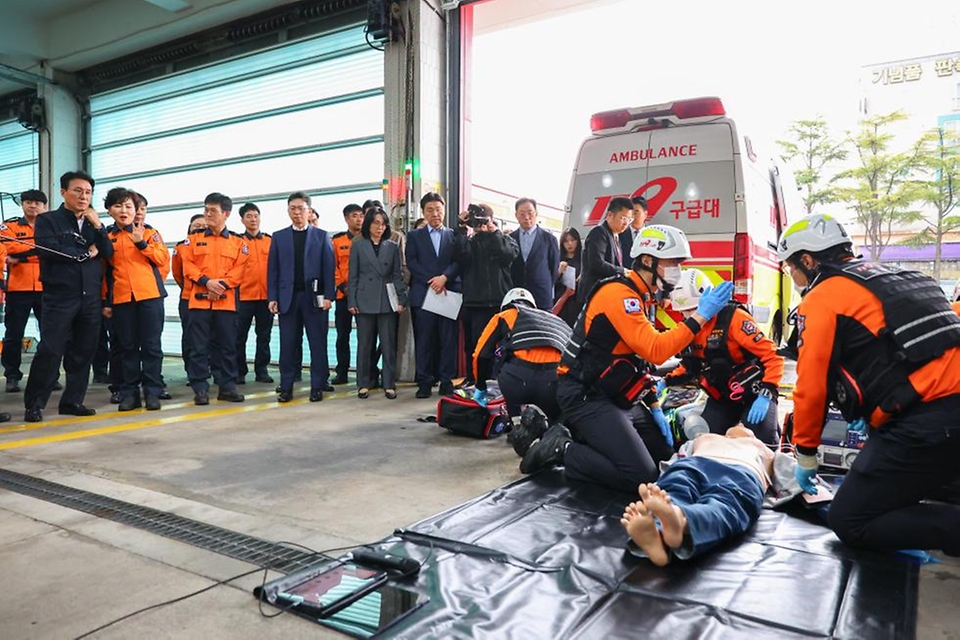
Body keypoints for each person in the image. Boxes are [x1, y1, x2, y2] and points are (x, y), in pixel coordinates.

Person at [778, 212, 960, 556]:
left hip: (926, 421)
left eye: (791, 268)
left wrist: (804, 454)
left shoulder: (822, 297)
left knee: (851, 520)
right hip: (938, 411)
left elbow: (811, 385)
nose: (794, 276)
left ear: (807, 259)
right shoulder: (896, 276)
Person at [519, 225, 735, 492]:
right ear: (648, 260)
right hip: (585, 394)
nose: (677, 269)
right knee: (641, 476)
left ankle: (590, 438)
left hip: (614, 393)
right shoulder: (619, 295)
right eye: (673, 262)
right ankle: (564, 448)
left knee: (663, 455)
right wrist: (699, 316)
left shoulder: (640, 296)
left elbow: (637, 361)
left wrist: (654, 406)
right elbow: (654, 349)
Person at [23, 170, 114, 422]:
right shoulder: (48, 220)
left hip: (90, 298)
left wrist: (98, 226)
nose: (83, 196)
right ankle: (34, 404)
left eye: (88, 192)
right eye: (78, 190)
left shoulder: (95, 223)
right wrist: (86, 250)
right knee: (50, 350)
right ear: (63, 192)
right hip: (59, 297)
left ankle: (73, 401)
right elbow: (50, 250)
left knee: (83, 351)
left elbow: (108, 252)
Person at [620, 426, 775, 566]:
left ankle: (675, 519)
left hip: (740, 472)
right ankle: (663, 527)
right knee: (676, 489)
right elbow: (678, 457)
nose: (741, 424)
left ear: (753, 436)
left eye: (744, 426)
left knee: (724, 504)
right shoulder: (704, 438)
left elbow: (788, 474)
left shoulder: (764, 448)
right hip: (697, 465)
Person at [662, 268, 783, 444]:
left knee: (760, 441)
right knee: (705, 439)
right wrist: (665, 382)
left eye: (693, 309)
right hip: (723, 398)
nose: (689, 315)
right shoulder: (692, 327)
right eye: (684, 311)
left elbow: (773, 356)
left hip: (755, 394)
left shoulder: (734, 318)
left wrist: (766, 393)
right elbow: (690, 365)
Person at [177, 192, 249, 406]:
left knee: (227, 346)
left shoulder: (238, 242)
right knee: (198, 347)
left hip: (226, 303)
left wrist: (221, 286)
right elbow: (187, 265)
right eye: (206, 209)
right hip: (198, 301)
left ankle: (227, 387)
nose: (208, 214)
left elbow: (241, 269)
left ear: (226, 213)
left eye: (213, 210)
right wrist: (207, 281)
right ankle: (200, 389)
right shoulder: (193, 239)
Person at [101, 187, 170, 411]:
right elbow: (103, 274)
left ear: (136, 210)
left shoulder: (150, 233)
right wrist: (106, 302)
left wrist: (141, 243)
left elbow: (161, 258)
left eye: (128, 206)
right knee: (127, 348)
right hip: (121, 300)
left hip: (150, 297)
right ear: (110, 210)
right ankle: (130, 394)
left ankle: (152, 392)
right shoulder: (106, 237)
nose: (124, 210)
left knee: (151, 347)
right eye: (118, 205)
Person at [268, 191, 335, 403]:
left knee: (317, 344)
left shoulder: (321, 235)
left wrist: (328, 297)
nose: (297, 212)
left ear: (309, 211)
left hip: (314, 299)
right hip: (288, 299)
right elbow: (273, 270)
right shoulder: (278, 237)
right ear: (288, 211)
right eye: (293, 209)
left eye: (301, 208)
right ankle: (286, 387)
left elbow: (328, 269)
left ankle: (317, 386)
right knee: (287, 345)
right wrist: (273, 297)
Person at [472, 287, 571, 424]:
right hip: (554, 384)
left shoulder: (504, 316)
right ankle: (552, 428)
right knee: (556, 426)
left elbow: (481, 355)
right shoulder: (556, 320)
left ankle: (517, 422)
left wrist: (480, 386)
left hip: (518, 382)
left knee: (504, 362)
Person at [455, 203, 520, 385]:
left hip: (501, 303)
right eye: (477, 221)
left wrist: (494, 232)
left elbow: (507, 255)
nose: (481, 225)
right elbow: (460, 256)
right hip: (476, 304)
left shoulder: (505, 239)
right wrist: (461, 228)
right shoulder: (470, 242)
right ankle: (475, 379)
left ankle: (501, 379)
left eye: (484, 220)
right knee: (476, 346)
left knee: (505, 344)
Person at [347, 207, 408, 399]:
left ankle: (389, 383)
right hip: (363, 299)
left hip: (387, 299)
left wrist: (401, 300)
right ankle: (363, 383)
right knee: (365, 344)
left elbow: (397, 275)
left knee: (388, 343)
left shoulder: (391, 246)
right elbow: (353, 276)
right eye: (375, 223)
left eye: (383, 224)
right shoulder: (358, 245)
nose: (379, 227)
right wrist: (352, 300)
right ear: (368, 224)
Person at [405, 192, 461, 399]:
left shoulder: (453, 235)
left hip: (447, 292)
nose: (435, 213)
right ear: (423, 212)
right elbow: (412, 262)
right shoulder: (414, 236)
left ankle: (447, 380)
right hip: (424, 293)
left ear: (444, 211)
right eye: (430, 210)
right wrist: (433, 280)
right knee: (424, 339)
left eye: (438, 209)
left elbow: (458, 261)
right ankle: (424, 381)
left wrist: (444, 278)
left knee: (448, 339)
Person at [1, 189, 47, 392]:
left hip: (47, 287)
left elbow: (55, 250)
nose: (33, 206)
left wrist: (23, 255)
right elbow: (8, 249)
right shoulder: (9, 226)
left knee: (50, 334)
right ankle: (12, 375)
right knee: (14, 334)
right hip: (18, 289)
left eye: (37, 203)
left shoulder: (51, 227)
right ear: (22, 204)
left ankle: (49, 375)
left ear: (45, 206)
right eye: (28, 202)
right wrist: (37, 251)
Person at [235, 202, 273, 385]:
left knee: (264, 335)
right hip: (243, 297)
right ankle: (239, 370)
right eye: (249, 216)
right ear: (242, 219)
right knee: (239, 336)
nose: (253, 219)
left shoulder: (270, 241)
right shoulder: (236, 242)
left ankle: (262, 370)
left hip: (265, 297)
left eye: (256, 215)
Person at [331, 203, 365, 385]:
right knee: (342, 335)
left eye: (361, 215)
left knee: (365, 336)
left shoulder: (367, 240)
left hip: (364, 296)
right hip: (343, 296)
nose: (359, 219)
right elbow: (332, 266)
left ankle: (365, 372)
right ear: (346, 218)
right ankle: (342, 372)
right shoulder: (337, 241)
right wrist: (342, 285)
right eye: (354, 216)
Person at [172, 215, 207, 382]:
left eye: (203, 225)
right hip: (188, 298)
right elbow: (177, 274)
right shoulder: (180, 247)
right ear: (189, 227)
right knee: (190, 337)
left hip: (211, 298)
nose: (199, 227)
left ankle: (208, 369)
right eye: (196, 225)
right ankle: (191, 371)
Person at [578, 197, 633, 303]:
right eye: (623, 218)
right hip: (594, 293)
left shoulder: (616, 236)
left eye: (629, 220)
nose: (626, 224)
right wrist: (622, 271)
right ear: (609, 215)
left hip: (606, 293)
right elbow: (597, 262)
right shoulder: (599, 232)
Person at [509, 197, 559, 311]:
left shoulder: (549, 239)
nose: (526, 217)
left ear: (536, 213)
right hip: (516, 295)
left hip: (541, 295)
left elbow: (554, 268)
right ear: (516, 215)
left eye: (530, 213)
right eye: (522, 214)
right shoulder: (509, 239)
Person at [553, 227, 582, 328]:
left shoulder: (583, 260)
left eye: (572, 240)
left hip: (576, 301)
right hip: (560, 300)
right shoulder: (557, 259)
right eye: (566, 241)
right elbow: (551, 283)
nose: (569, 244)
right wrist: (559, 271)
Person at [618, 195, 649, 264]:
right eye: (630, 213)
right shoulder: (619, 234)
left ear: (645, 214)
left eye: (636, 212)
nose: (633, 216)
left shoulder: (652, 235)